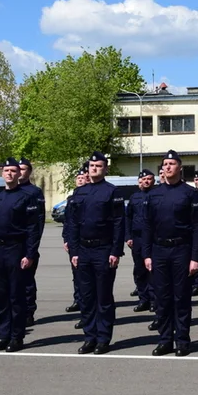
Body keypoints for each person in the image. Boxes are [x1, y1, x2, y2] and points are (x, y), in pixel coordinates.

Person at [143, 150, 198, 356]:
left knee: (181, 298)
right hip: (159, 251)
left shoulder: (190, 193)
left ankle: (182, 341)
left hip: (181, 250)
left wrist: (195, 258)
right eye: (165, 164)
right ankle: (165, 340)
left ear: (179, 167)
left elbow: (197, 228)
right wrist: (147, 255)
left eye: (172, 163)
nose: (167, 167)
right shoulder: (153, 194)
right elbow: (147, 227)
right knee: (162, 298)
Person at [65, 152, 126, 355]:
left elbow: (119, 223)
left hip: (103, 250)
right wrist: (74, 250)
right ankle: (89, 337)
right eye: (91, 165)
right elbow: (72, 224)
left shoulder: (112, 192)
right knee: (86, 297)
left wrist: (115, 251)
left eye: (98, 166)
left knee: (103, 297)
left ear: (105, 168)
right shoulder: (79, 193)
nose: (94, 169)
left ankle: (103, 338)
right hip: (83, 251)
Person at [0, 158, 40, 353]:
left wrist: (29, 254)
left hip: (17, 250)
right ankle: (3, 334)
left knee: (16, 296)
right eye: (6, 170)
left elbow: (33, 229)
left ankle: (17, 337)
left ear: (19, 174)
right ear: (2, 174)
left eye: (13, 171)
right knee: (0, 296)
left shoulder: (26, 197)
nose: (9, 174)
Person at [17, 158, 45, 327]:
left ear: (29, 172)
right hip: (10, 245)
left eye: (24, 169)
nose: (20, 172)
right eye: (17, 168)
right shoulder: (9, 191)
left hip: (27, 244)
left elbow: (39, 220)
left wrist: (33, 246)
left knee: (27, 280)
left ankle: (28, 312)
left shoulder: (34, 192)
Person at [125, 169, 155, 315]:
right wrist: (128, 236)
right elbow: (128, 218)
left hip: (153, 239)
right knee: (139, 269)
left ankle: (155, 300)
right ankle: (143, 299)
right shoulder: (134, 197)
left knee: (152, 270)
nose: (146, 182)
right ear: (138, 182)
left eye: (149, 179)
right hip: (137, 238)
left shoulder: (157, 195)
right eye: (143, 179)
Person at [63, 166, 89, 322]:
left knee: (85, 276)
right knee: (76, 273)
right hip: (74, 241)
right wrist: (66, 239)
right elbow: (68, 222)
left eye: (83, 178)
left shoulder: (88, 196)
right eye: (78, 178)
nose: (80, 180)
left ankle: (86, 307)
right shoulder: (71, 198)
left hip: (87, 241)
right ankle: (78, 299)